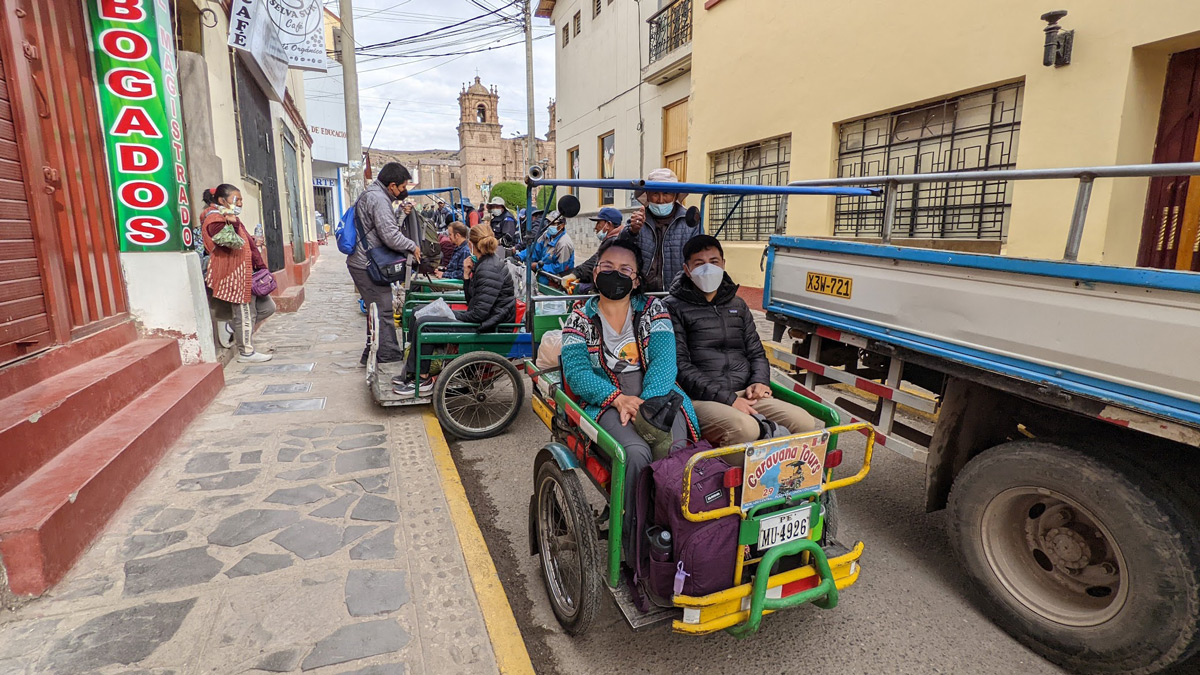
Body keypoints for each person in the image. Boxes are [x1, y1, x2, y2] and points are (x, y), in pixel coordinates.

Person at [560, 237, 699, 551]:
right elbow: (578, 373)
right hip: (606, 401)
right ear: (595, 273)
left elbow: (664, 362)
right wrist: (618, 399)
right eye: (608, 267)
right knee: (634, 455)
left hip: (657, 396)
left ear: (636, 280)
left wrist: (646, 406)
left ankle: (674, 537)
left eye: (625, 269)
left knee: (676, 450)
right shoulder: (579, 318)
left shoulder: (654, 310)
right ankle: (632, 542)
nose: (616, 274)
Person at [665, 235, 820, 448]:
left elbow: (756, 352)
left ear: (723, 264)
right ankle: (735, 479)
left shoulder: (737, 304)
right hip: (701, 399)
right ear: (687, 269)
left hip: (745, 392)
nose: (708, 269)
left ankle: (788, 476)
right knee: (745, 428)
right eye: (699, 264)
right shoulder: (672, 307)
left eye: (714, 262)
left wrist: (760, 381)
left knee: (804, 422)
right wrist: (728, 399)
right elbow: (680, 366)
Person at [396, 223, 516, 395]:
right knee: (418, 312)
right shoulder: (484, 264)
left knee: (426, 323)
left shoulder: (489, 267)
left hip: (488, 324)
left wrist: (451, 315)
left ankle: (423, 378)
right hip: (482, 317)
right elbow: (472, 300)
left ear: (471, 245)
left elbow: (478, 313)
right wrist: (467, 275)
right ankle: (411, 371)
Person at [346, 162, 420, 366]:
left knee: (375, 310)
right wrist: (413, 246)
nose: (404, 191)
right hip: (367, 264)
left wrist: (401, 213)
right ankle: (388, 358)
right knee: (384, 310)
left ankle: (370, 353)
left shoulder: (374, 194)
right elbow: (390, 236)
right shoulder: (378, 199)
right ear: (392, 185)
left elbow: (383, 228)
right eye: (403, 187)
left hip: (363, 262)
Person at [201, 183, 276, 362]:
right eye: (237, 199)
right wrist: (232, 223)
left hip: (247, 272)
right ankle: (246, 352)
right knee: (244, 313)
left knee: (267, 308)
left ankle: (231, 327)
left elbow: (244, 242)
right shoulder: (215, 220)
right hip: (234, 273)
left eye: (241, 199)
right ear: (222, 200)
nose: (241, 203)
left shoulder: (229, 217)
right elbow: (231, 242)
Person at [618, 168, 699, 292]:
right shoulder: (638, 220)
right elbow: (620, 251)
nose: (661, 200)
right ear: (648, 196)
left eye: (666, 193)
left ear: (675, 195)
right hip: (642, 294)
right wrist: (632, 231)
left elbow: (698, 261)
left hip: (678, 294)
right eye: (655, 193)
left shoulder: (689, 223)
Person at [564, 207, 623, 292]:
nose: (596, 227)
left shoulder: (615, 242)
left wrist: (575, 274)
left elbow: (594, 262)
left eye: (598, 223)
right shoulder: (613, 239)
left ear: (608, 225)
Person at [516, 210, 575, 278]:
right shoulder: (547, 234)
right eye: (549, 222)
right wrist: (520, 256)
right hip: (543, 272)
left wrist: (537, 266)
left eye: (553, 223)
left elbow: (559, 268)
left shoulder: (564, 244)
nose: (549, 225)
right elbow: (534, 250)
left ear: (561, 226)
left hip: (556, 278)